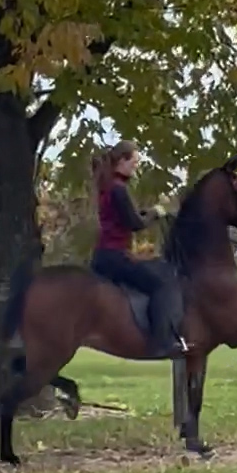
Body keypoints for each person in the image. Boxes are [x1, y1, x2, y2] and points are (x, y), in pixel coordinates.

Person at [90, 142, 182, 357]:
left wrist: (146, 212)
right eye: (134, 162)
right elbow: (135, 224)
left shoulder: (107, 186)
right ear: (121, 161)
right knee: (162, 284)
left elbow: (126, 216)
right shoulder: (118, 189)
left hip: (103, 255)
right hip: (115, 257)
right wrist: (157, 212)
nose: (135, 167)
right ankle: (162, 342)